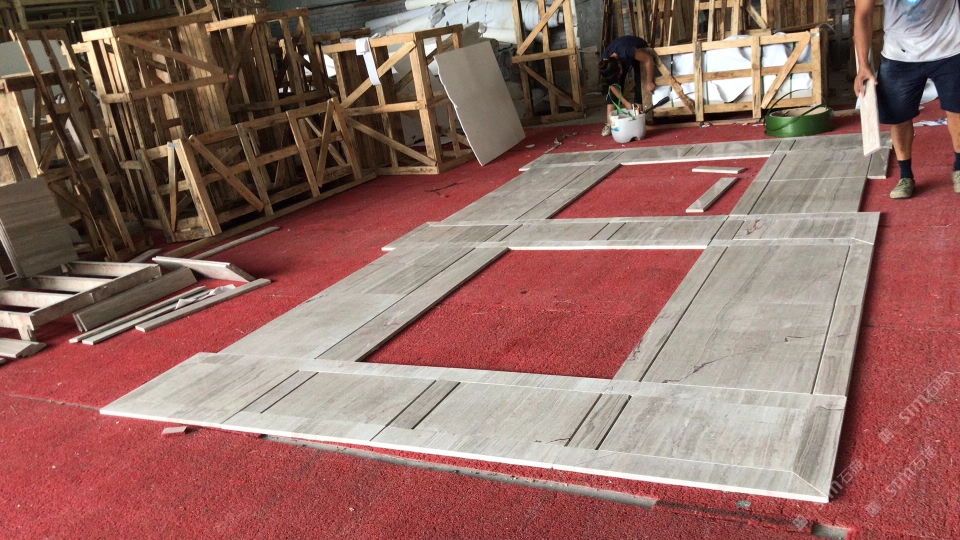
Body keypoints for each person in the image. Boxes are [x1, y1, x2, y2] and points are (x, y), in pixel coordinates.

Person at [853, 0, 960, 199]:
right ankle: (905, 176)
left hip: (949, 47)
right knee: (898, 117)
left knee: (957, 110)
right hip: (899, 54)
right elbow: (862, 14)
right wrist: (863, 65)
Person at [598, 36, 657, 136]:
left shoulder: (626, 51)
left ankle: (637, 119)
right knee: (614, 87)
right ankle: (610, 124)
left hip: (639, 49)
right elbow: (612, 85)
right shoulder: (605, 63)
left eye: (619, 72)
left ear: (619, 64)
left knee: (640, 81)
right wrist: (626, 103)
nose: (620, 75)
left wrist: (649, 82)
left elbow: (648, 59)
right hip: (620, 58)